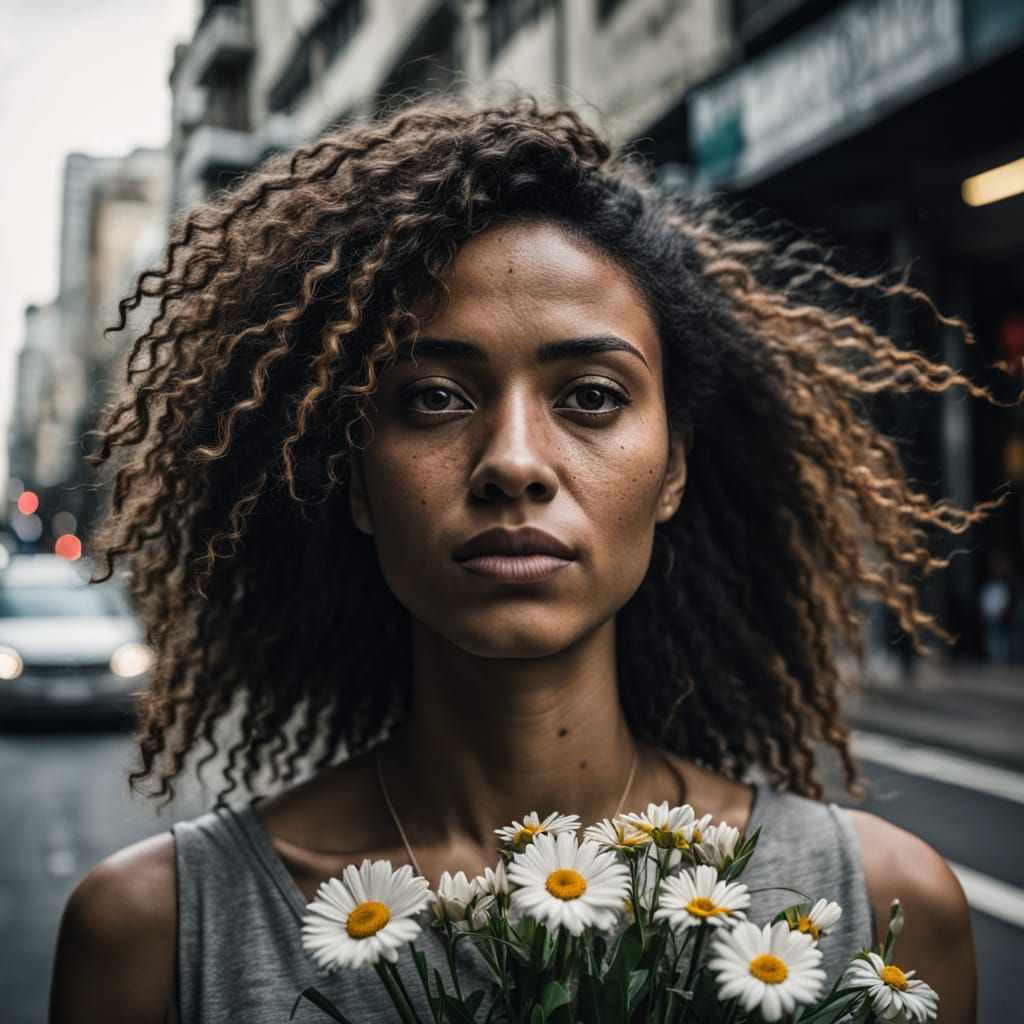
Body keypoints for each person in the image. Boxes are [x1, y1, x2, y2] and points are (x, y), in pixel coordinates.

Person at [48, 96, 992, 1023]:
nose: (512, 461)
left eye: (589, 395)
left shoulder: (884, 913)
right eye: (431, 399)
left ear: (674, 469)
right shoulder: (158, 937)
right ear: (356, 479)